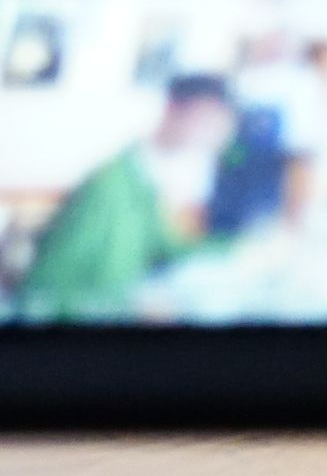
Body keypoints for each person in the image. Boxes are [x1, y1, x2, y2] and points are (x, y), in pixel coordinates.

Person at [18, 75, 236, 320]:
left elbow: (169, 245)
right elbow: (44, 292)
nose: (215, 137)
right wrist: (132, 308)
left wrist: (245, 250)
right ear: (173, 110)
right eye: (207, 123)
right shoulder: (109, 186)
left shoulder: (145, 177)